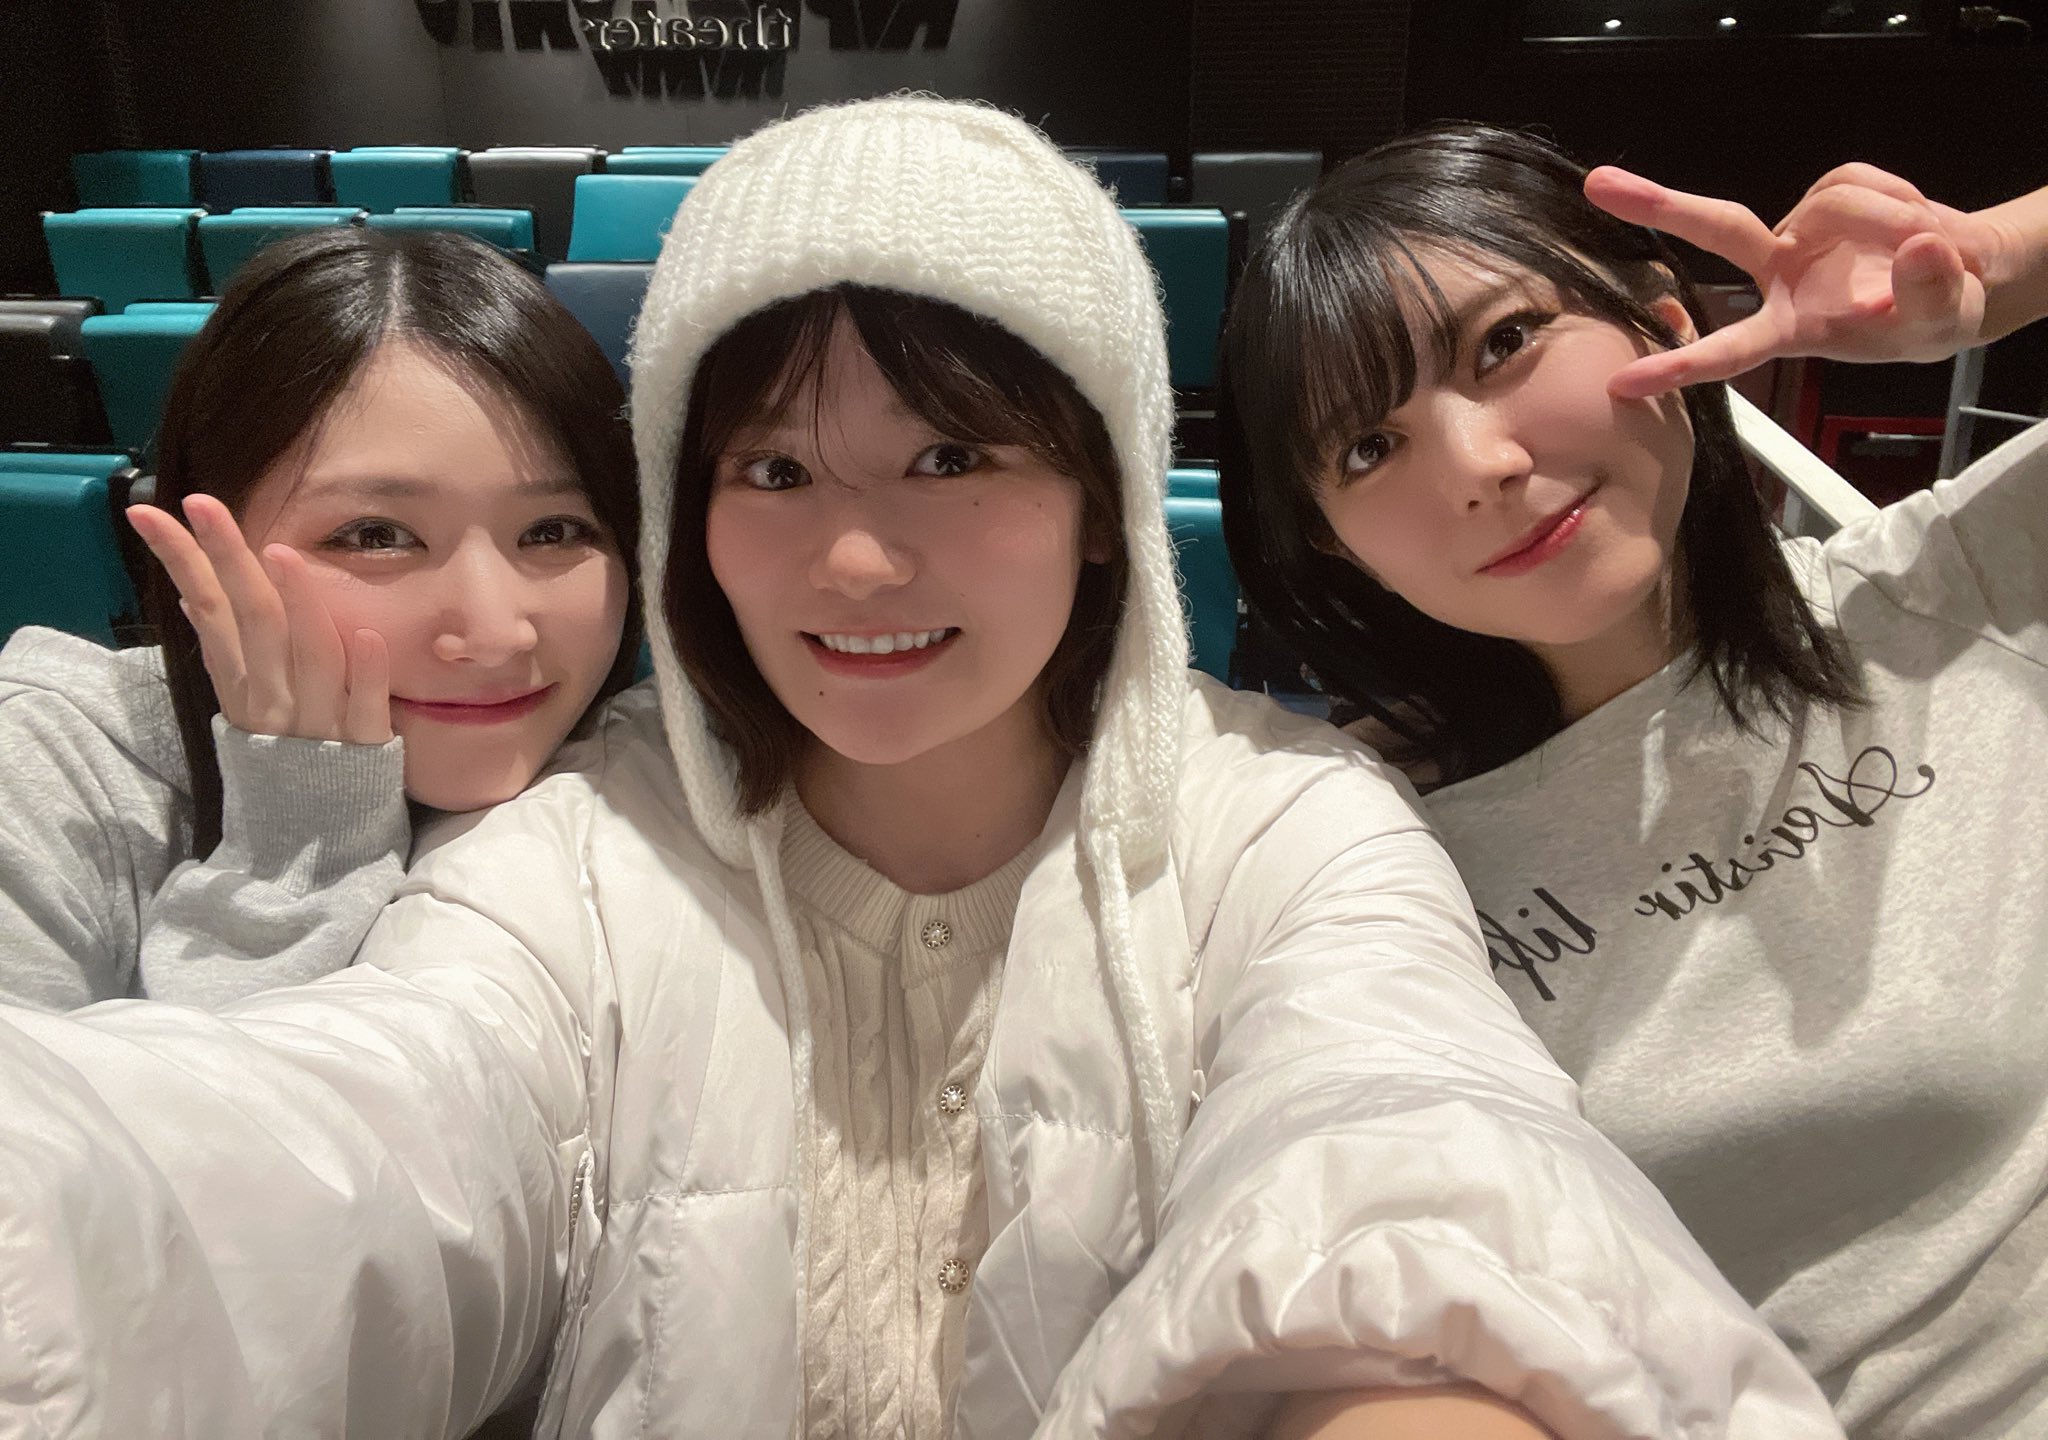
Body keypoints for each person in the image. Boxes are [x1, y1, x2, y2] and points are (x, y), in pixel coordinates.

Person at [0, 99, 1843, 1440]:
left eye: (954, 458)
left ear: (1106, 502)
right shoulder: (573, 858)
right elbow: (350, 1141)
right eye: (774, 470)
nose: (858, 561)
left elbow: (1401, 1125)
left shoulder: (1287, 830)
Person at [1219, 123, 2047, 1438]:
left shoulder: (1959, 593)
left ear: (1661, 320)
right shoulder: (1347, 849)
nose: (1479, 466)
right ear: (1335, 542)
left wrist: (2002, 260)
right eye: (1368, 448)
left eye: (1504, 343)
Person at [0, 228, 640, 1010]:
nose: (494, 633)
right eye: (376, 536)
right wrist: (301, 846)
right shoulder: (44, 777)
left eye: (553, 531)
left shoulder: (662, 775)